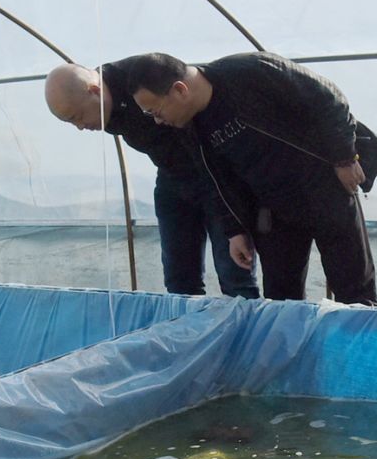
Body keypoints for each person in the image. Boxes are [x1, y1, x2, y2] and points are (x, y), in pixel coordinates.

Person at [127, 51, 377, 305]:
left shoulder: (249, 71)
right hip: (273, 210)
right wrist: (235, 230)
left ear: (180, 90)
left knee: (355, 291)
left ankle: (362, 343)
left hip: (325, 190)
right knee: (281, 301)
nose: (158, 121)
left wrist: (344, 157)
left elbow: (328, 98)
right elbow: (216, 181)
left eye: (155, 111)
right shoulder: (191, 127)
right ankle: (290, 345)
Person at [44, 60, 259, 298]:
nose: (80, 126)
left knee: (236, 276)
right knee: (179, 282)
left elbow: (203, 144)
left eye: (78, 116)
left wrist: (234, 224)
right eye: (71, 122)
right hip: (172, 179)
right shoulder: (103, 107)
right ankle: (186, 331)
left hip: (215, 175)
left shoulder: (142, 80)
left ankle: (250, 331)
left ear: (94, 90)